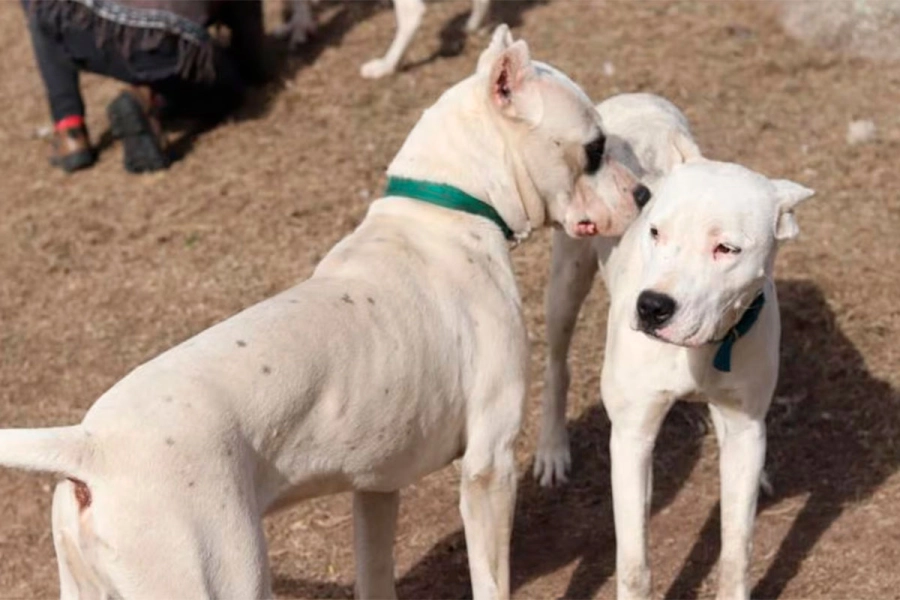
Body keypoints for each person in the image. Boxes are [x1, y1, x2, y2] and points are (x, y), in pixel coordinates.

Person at [22, 0, 270, 174]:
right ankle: (153, 97)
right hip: (162, 42)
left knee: (45, 5)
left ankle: (69, 129)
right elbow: (250, 51)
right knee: (228, 85)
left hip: (88, 30)